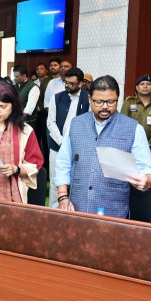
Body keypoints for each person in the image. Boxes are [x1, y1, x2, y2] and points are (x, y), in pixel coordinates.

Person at [55, 75, 151, 219]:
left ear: (118, 99)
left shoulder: (134, 128)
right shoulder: (76, 124)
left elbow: (147, 169)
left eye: (110, 102)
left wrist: (147, 180)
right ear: (89, 99)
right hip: (77, 207)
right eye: (98, 102)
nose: (104, 106)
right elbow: (63, 163)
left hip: (114, 211)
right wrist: (62, 196)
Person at [46, 68, 89, 206]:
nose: (67, 86)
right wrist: (62, 142)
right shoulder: (57, 97)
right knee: (56, 181)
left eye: (72, 83)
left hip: (79, 149)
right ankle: (54, 211)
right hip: (57, 146)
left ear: (80, 84)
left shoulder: (88, 98)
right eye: (66, 82)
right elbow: (50, 123)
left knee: (76, 182)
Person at [122, 74, 151, 169]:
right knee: (131, 172)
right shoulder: (129, 102)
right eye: (142, 84)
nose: (145, 86)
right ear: (137, 87)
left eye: (148, 84)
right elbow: (123, 123)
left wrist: (149, 143)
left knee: (150, 172)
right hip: (131, 145)